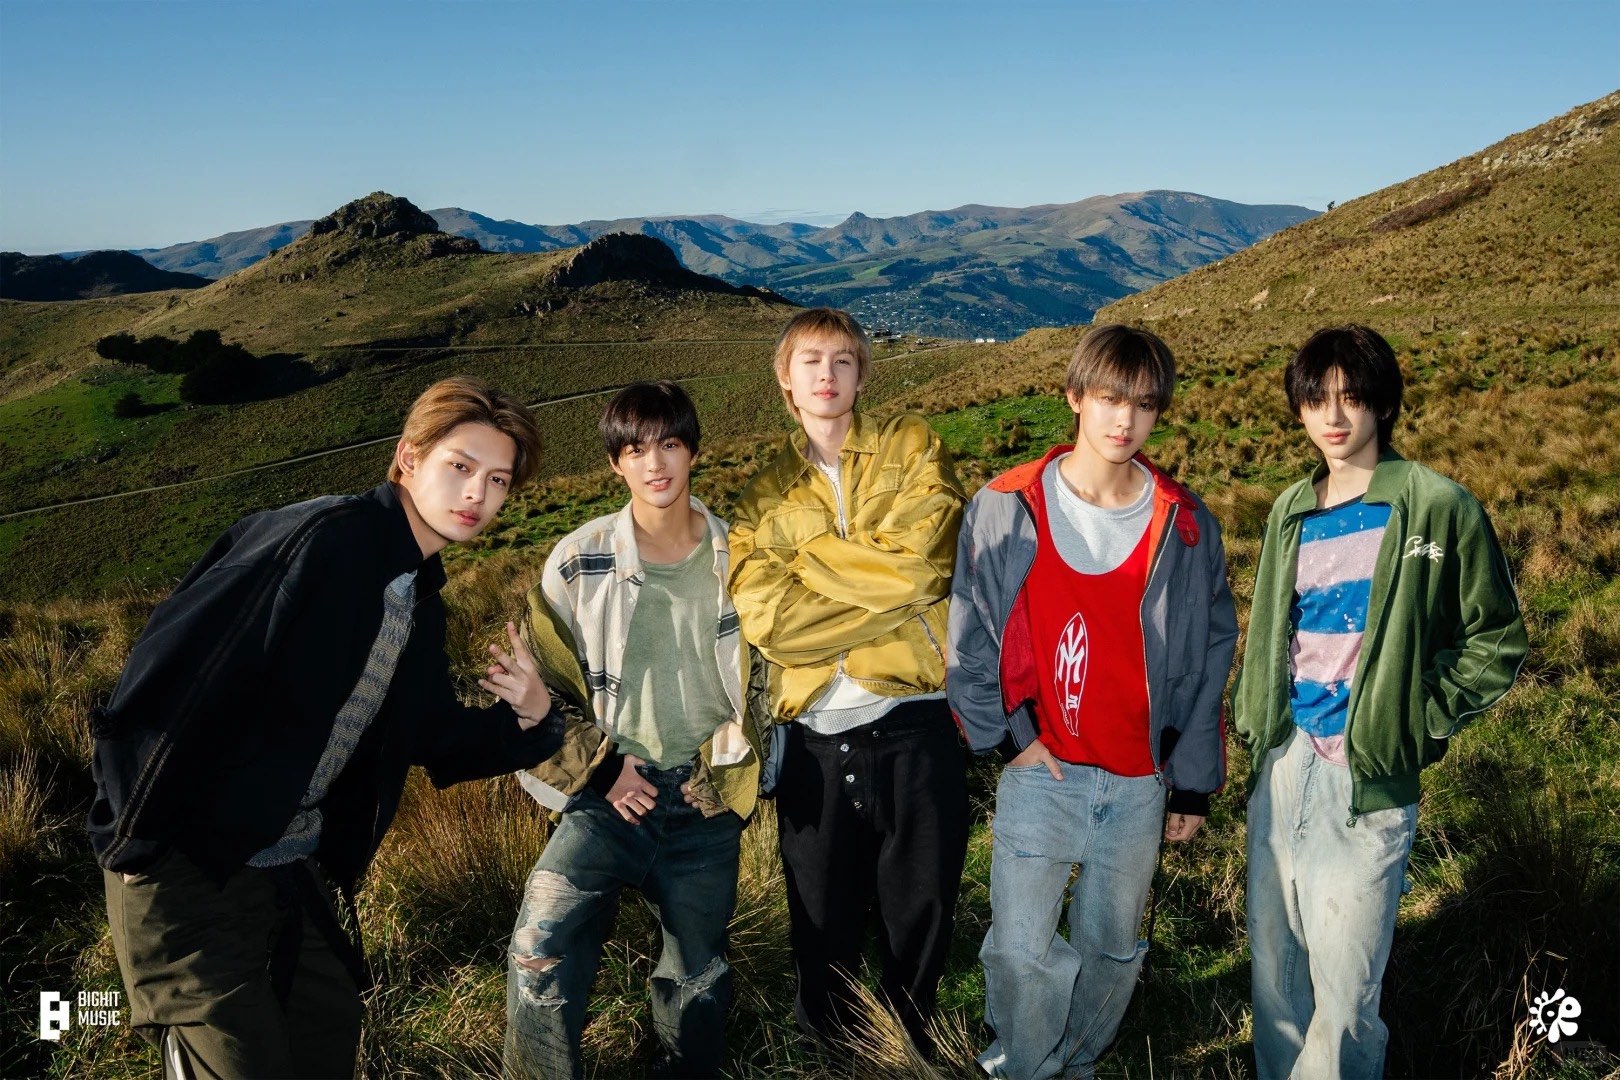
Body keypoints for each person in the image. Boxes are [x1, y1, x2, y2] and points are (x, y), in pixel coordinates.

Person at [89, 375, 562, 1079]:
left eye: (497, 480)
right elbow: (170, 673)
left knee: (327, 1032)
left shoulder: (418, 598)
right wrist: (135, 840)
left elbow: (430, 737)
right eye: (460, 466)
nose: (478, 494)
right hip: (187, 867)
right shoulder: (321, 540)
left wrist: (532, 719)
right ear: (408, 457)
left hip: (288, 871)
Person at [1234, 325, 1527, 1079]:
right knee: (1275, 977)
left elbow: (1496, 638)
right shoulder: (1290, 509)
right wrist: (1261, 730)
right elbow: (1272, 630)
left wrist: (1415, 723)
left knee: (1346, 994)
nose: (1334, 417)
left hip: (1367, 777)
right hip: (1284, 764)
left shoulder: (1436, 506)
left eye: (1352, 397)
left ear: (1384, 403)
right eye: (1317, 400)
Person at [947, 324, 1237, 1080]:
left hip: (1139, 781)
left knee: (1111, 948)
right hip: (1042, 768)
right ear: (1075, 397)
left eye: (1144, 404)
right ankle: (1023, 1065)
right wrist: (1008, 739)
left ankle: (1075, 1064)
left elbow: (1210, 656)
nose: (1125, 420)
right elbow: (971, 630)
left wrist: (1192, 783)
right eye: (1110, 398)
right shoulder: (1007, 504)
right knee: (1021, 948)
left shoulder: (1185, 523)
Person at [505, 381, 765, 1080]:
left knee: (697, 978)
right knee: (538, 947)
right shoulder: (576, 561)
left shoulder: (743, 560)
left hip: (706, 800)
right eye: (635, 449)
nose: (655, 463)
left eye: (670, 444)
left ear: (694, 452)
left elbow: (770, 681)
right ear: (615, 463)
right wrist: (602, 769)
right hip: (608, 794)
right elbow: (535, 690)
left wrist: (736, 771)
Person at [728, 307, 968, 1053]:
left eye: (842, 360)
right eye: (810, 362)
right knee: (820, 923)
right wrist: (879, 586)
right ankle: (828, 1057)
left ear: (863, 374)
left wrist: (806, 560)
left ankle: (909, 1052)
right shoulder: (761, 495)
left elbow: (924, 566)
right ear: (785, 380)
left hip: (916, 720)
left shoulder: (912, 445)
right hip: (814, 738)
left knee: (920, 913)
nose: (826, 375)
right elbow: (771, 623)